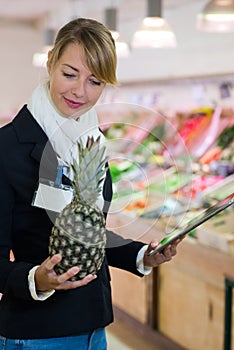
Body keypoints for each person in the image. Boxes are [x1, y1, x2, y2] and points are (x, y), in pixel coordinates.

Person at [0, 17, 182, 350]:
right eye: (70, 74)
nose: (80, 91)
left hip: (94, 329)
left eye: (95, 82)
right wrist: (36, 278)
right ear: (51, 63)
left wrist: (141, 255)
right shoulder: (8, 147)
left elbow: (87, 231)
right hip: (35, 333)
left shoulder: (92, 142)